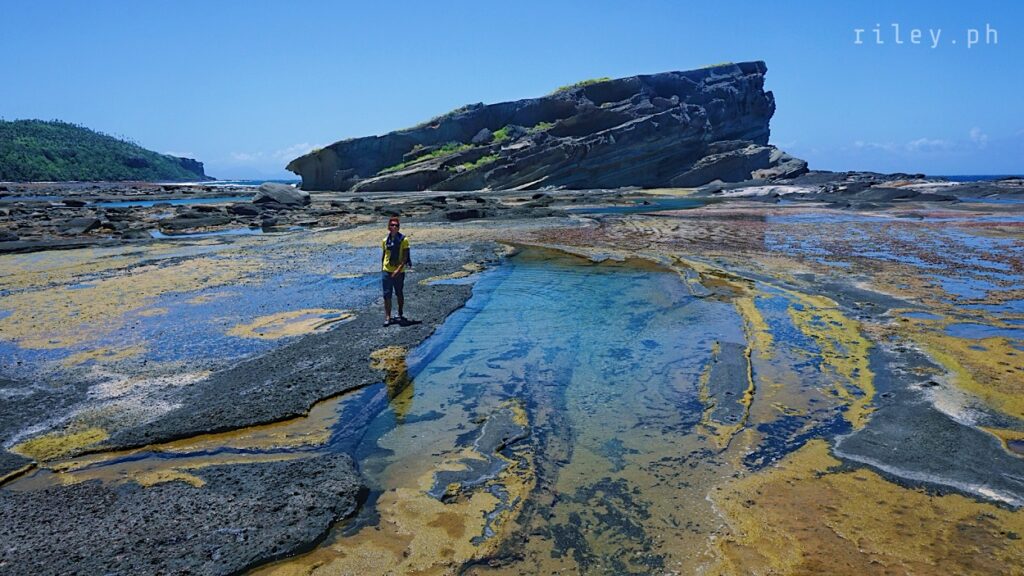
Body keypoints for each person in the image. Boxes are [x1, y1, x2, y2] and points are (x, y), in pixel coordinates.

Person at [381, 216, 411, 326]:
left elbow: (405, 257)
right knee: (386, 294)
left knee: (399, 293)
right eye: (392, 225)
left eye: (396, 225)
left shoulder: (404, 240)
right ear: (389, 227)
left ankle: (400, 312)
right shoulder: (385, 240)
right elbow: (384, 255)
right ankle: (388, 317)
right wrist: (382, 268)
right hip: (386, 270)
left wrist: (398, 270)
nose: (394, 227)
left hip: (399, 271)